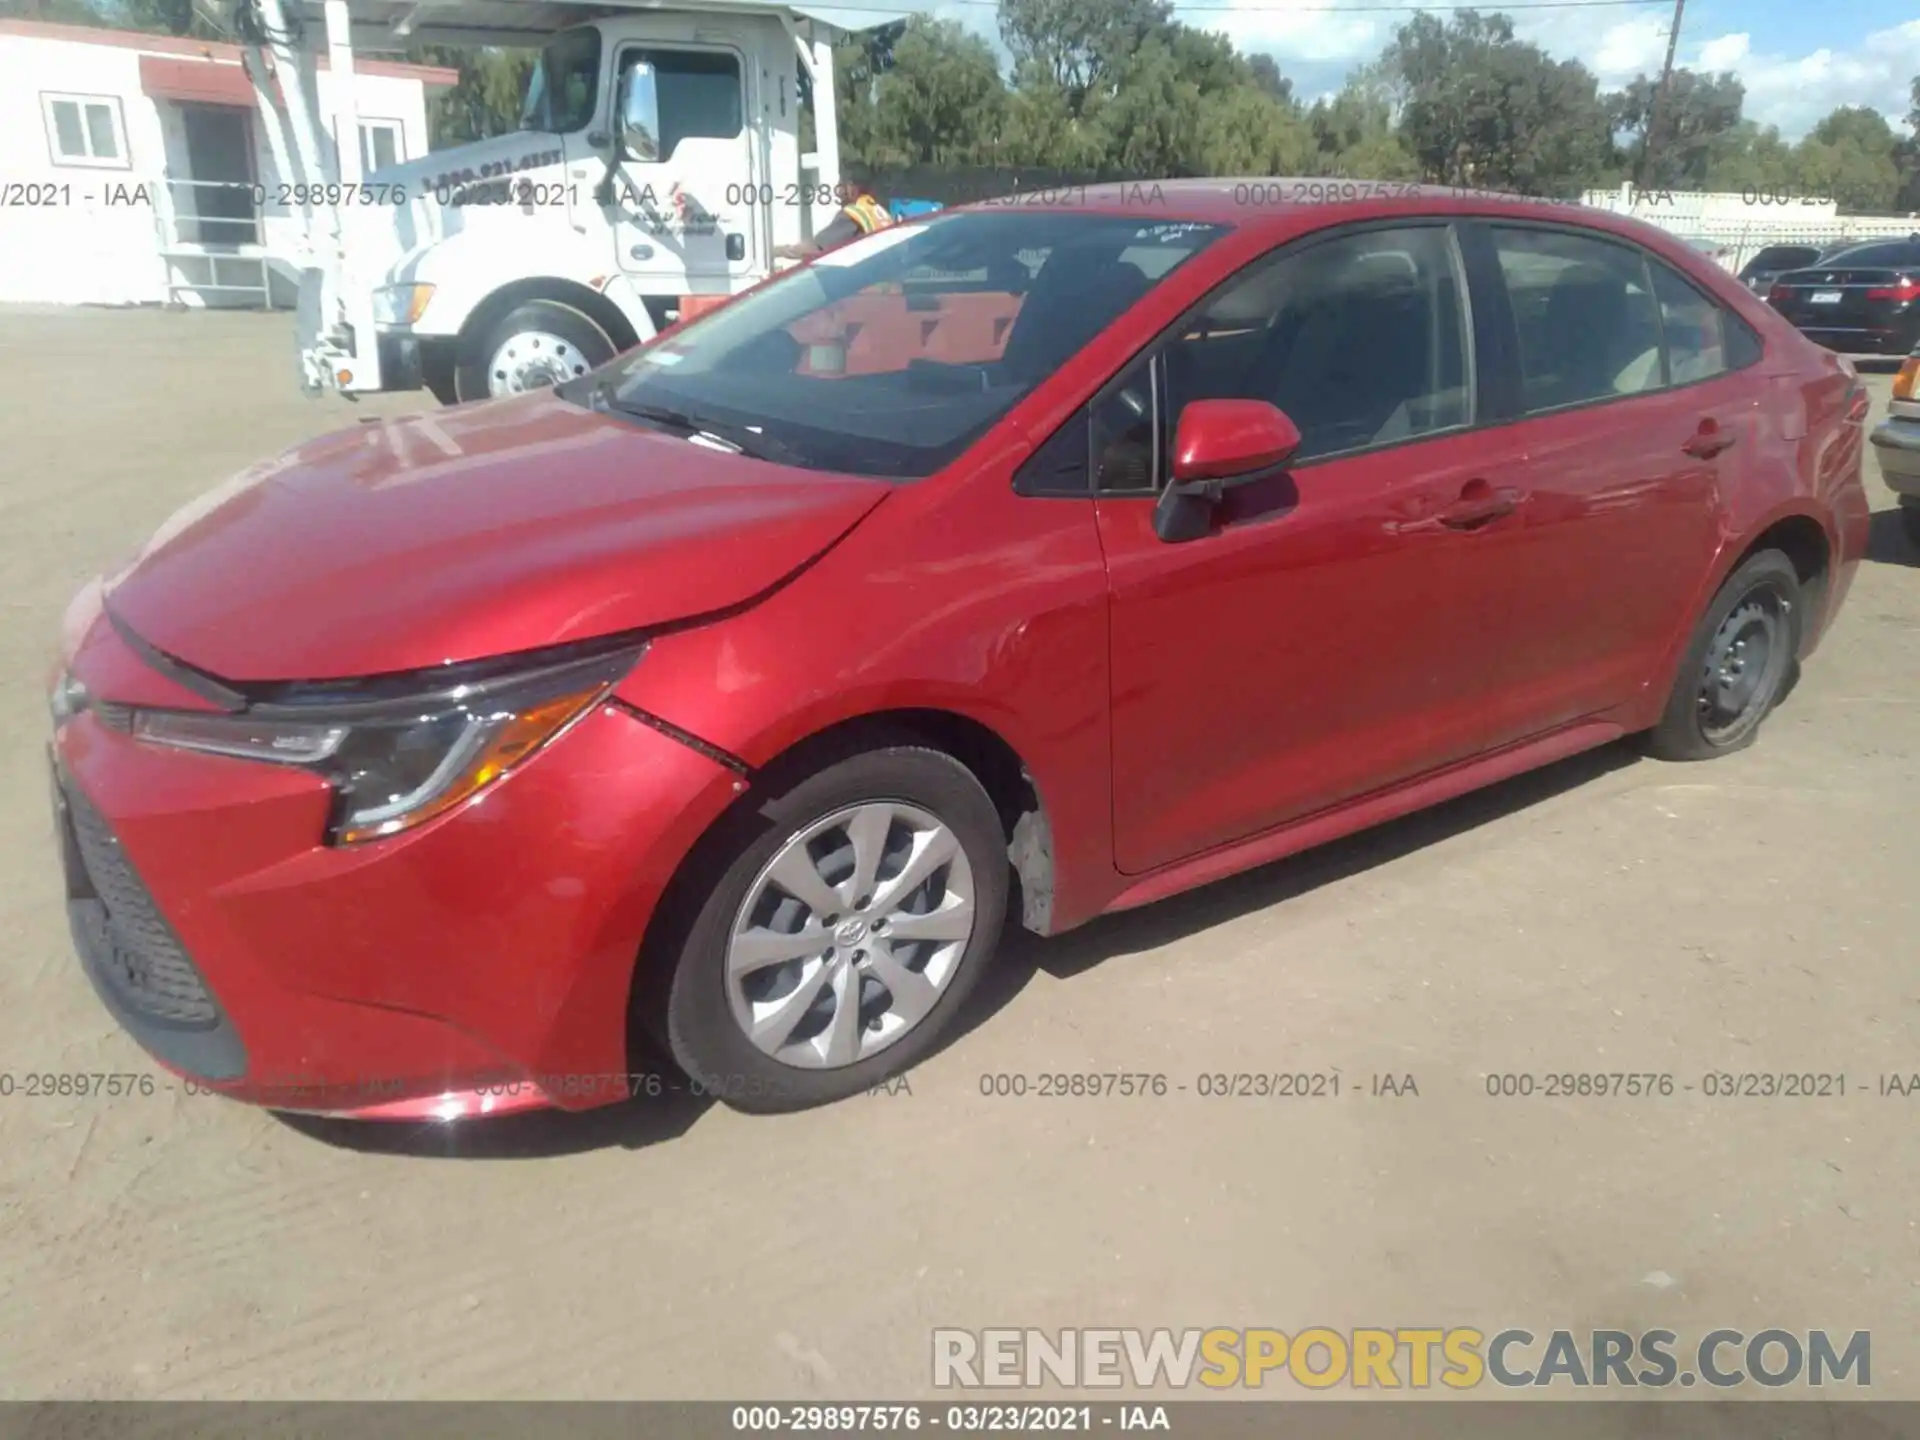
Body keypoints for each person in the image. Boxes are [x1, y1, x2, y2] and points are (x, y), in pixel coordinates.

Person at [773, 188, 900, 261]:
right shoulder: (876, 209)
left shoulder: (854, 214)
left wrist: (775, 251)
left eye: (842, 185)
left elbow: (817, 249)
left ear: (853, 188)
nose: (838, 191)